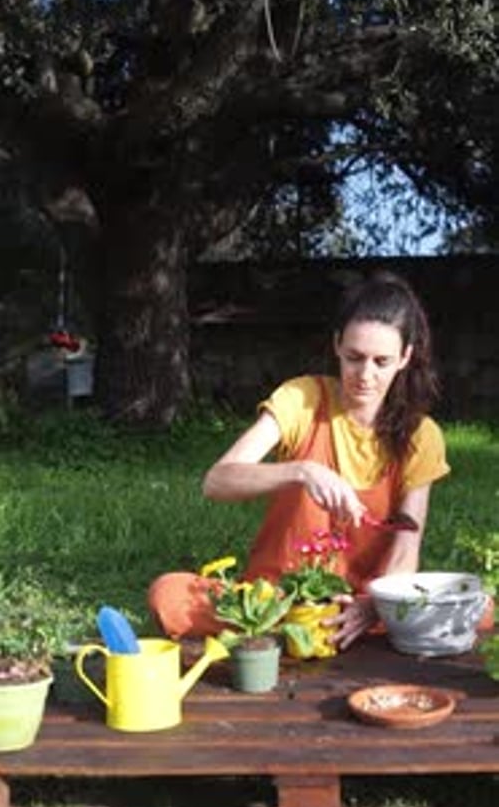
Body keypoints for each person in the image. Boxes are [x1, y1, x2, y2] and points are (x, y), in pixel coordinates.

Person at [148, 271, 450, 648]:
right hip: (277, 599)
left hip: (361, 605)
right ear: (337, 344)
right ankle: (291, 628)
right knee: (169, 594)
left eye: (381, 361)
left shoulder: (421, 435)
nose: (365, 375)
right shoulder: (303, 398)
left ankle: (314, 633)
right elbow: (217, 481)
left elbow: (407, 546)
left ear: (405, 357)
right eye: (354, 357)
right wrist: (301, 471)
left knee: (478, 607)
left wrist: (372, 605)